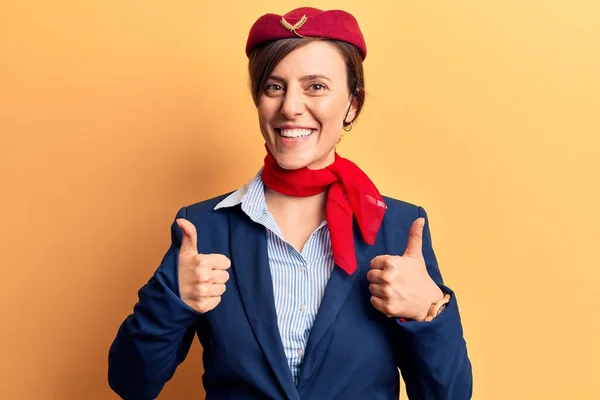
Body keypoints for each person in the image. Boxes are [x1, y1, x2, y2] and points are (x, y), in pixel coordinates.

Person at [108, 7, 473, 400]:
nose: (290, 108)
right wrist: (172, 300)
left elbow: (449, 395)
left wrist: (429, 310)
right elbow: (131, 383)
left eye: (315, 86)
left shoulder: (399, 228)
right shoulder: (202, 228)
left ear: (352, 104)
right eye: (274, 86)